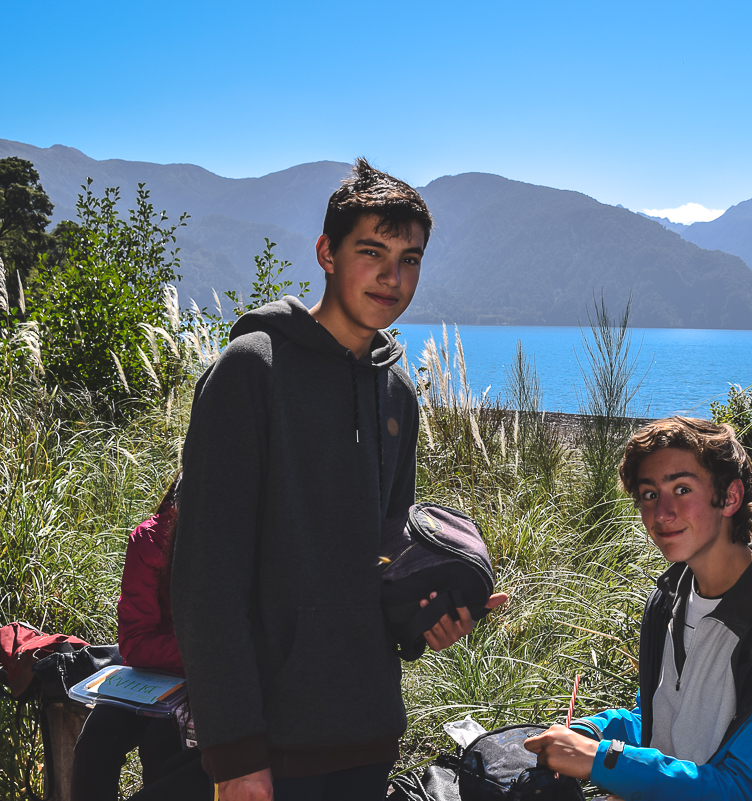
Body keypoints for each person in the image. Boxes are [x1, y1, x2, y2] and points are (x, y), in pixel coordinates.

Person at [171, 159, 507, 801]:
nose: (392, 276)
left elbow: (386, 560)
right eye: (372, 251)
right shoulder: (251, 370)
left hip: (368, 731)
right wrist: (235, 752)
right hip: (269, 742)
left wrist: (428, 616)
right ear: (327, 252)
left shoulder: (397, 390)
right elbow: (206, 580)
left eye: (410, 259)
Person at [525, 417, 752, 801]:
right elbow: (662, 722)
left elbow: (749, 790)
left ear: (731, 497)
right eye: (649, 494)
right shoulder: (668, 599)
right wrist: (593, 732)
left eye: (682, 489)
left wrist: (604, 760)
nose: (661, 513)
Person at [72, 474, 197, 801]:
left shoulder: (233, 542)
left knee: (162, 744)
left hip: (202, 681)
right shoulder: (150, 540)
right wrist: (201, 650)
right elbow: (135, 642)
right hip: (152, 673)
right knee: (96, 738)